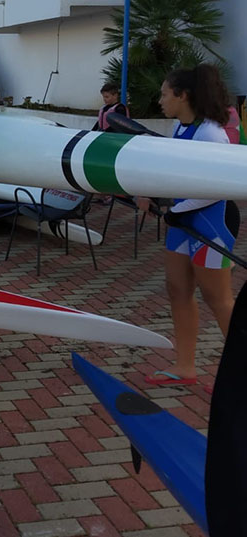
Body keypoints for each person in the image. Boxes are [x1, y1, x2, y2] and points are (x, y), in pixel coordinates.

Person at [141, 64, 238, 387]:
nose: (160, 100)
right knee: (178, 291)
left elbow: (219, 184)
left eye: (165, 93)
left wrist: (177, 209)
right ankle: (185, 368)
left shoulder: (210, 132)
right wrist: (149, 194)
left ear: (183, 95)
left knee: (218, 298)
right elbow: (176, 174)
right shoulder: (181, 128)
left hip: (211, 226)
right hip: (182, 222)